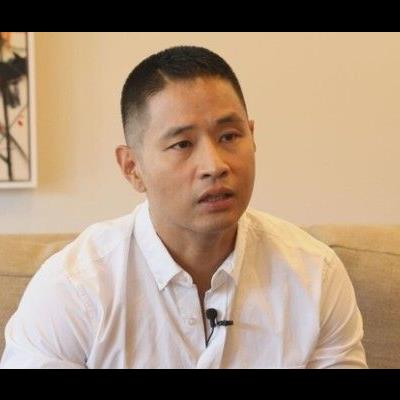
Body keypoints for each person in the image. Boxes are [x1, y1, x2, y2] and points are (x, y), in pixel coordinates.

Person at [0, 46, 367, 368]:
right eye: (182, 144)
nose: (214, 165)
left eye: (229, 136)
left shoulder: (314, 274)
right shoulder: (74, 288)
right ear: (132, 168)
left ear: (252, 137)